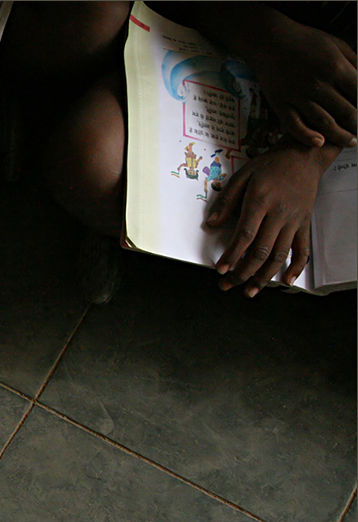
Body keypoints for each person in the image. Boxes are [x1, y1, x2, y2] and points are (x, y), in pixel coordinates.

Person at [43, 2, 357, 303]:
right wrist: (269, 41)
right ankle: (129, 228)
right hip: (218, 38)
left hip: (325, 118)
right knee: (94, 162)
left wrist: (309, 156)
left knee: (275, 225)